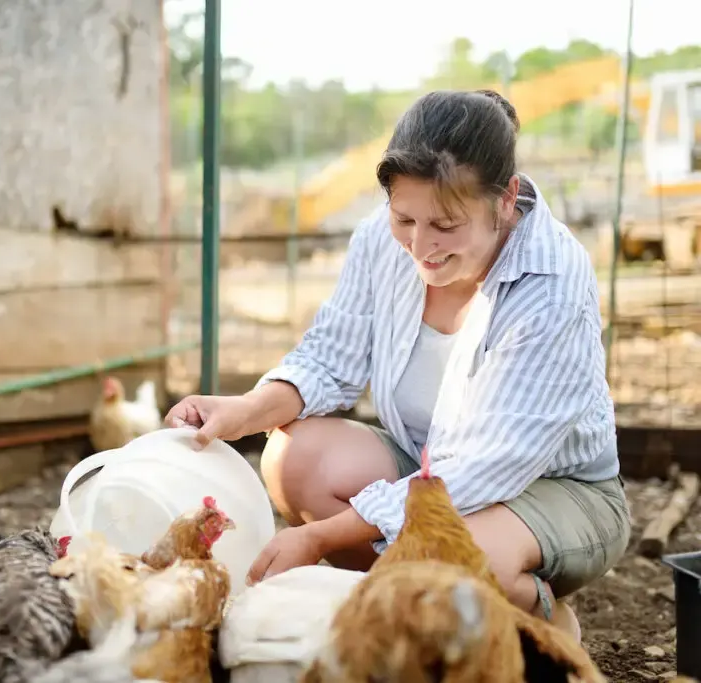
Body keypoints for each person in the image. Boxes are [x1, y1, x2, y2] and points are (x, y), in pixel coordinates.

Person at [164, 88, 631, 641]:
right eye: (404, 217)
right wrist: (243, 412)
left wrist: (320, 539)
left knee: (447, 556)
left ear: (505, 200)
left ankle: (533, 613)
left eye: (447, 225)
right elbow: (329, 359)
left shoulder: (551, 284)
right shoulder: (380, 240)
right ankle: (417, 607)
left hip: (555, 489)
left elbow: (483, 468)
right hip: (430, 462)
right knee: (294, 457)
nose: (420, 245)